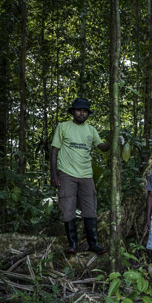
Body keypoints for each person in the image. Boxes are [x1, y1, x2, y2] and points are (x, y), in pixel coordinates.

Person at [51, 98, 111, 255]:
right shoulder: (63, 127)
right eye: (78, 110)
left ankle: (94, 244)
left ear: (88, 114)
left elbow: (102, 147)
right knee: (67, 207)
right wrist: (54, 174)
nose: (82, 113)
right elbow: (54, 150)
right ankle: (73, 244)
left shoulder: (91, 130)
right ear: (73, 111)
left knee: (90, 208)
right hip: (66, 173)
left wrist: (114, 140)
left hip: (86, 175)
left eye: (84, 111)